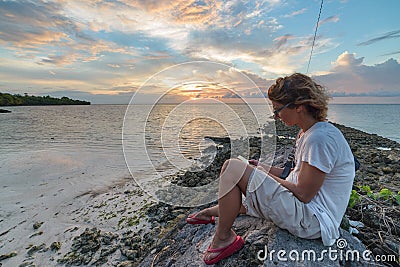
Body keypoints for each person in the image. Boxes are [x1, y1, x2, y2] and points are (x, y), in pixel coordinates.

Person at [186, 73, 356, 265]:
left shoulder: (319, 139)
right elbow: (292, 175)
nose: (275, 116)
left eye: (278, 110)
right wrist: (261, 169)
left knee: (232, 167)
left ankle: (223, 238)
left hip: (313, 220)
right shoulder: (308, 133)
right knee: (243, 186)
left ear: (299, 106)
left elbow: (303, 193)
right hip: (307, 211)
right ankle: (210, 212)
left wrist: (258, 176)